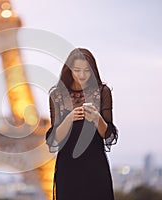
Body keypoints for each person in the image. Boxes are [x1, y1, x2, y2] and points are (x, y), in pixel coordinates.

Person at [46, 48, 118, 199]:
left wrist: (97, 119)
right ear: (69, 70)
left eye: (87, 70)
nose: (82, 75)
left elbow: (108, 136)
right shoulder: (57, 95)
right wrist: (69, 118)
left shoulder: (103, 92)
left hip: (95, 164)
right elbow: (54, 139)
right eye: (77, 70)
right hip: (68, 167)